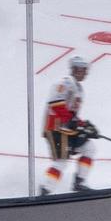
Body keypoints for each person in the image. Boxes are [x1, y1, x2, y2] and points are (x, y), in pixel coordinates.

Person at [42, 57, 95, 195]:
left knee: (89, 148)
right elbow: (55, 104)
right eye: (82, 70)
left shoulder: (78, 88)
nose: (85, 73)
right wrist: (73, 122)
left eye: (85, 70)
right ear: (75, 69)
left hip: (67, 130)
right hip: (56, 128)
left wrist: (85, 126)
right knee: (61, 161)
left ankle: (79, 182)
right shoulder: (64, 83)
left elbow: (71, 114)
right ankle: (45, 190)